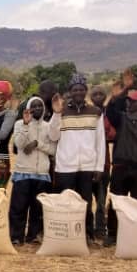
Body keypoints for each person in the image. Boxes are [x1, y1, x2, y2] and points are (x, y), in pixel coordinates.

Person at [46, 74, 106, 232]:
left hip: (87, 167)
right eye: (75, 89)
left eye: (81, 89)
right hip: (65, 167)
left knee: (85, 202)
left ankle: (86, 234)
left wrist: (99, 167)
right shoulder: (62, 111)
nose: (78, 92)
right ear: (70, 92)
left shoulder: (95, 112)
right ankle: (66, 234)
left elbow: (100, 142)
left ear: (86, 91)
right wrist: (56, 114)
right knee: (65, 203)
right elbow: (53, 136)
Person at [103, 84, 137, 246]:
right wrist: (115, 98)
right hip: (120, 167)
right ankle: (112, 234)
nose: (129, 103)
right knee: (116, 201)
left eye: (134, 101)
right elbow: (110, 112)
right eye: (129, 101)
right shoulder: (121, 119)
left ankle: (136, 234)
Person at [9, 97, 55, 245]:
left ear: (44, 109)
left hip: (42, 174)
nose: (37, 109)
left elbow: (53, 150)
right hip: (23, 172)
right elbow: (19, 144)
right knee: (18, 207)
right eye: (33, 106)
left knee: (37, 208)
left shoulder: (48, 127)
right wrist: (26, 125)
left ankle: (33, 236)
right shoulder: (19, 124)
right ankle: (16, 236)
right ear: (28, 108)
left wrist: (37, 144)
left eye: (40, 106)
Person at [89, 85, 115, 240]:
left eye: (101, 94)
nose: (98, 96)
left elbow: (112, 134)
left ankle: (100, 229)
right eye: (95, 94)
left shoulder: (109, 113)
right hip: (86, 163)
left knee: (100, 199)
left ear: (105, 96)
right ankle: (88, 228)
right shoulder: (87, 112)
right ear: (90, 97)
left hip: (104, 163)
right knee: (86, 199)